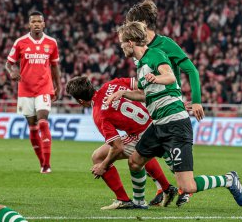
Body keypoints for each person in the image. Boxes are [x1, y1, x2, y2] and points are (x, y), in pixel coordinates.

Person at [106, 21, 242, 207]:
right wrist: (122, 94)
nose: (121, 46)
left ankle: (228, 179)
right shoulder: (141, 64)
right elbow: (143, 93)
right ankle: (139, 202)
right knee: (134, 162)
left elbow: (170, 76)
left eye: (122, 42)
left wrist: (157, 78)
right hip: (158, 125)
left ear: (130, 42)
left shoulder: (155, 54)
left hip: (175, 124)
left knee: (187, 186)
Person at [126, 0, 205, 205]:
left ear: (142, 23)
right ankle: (165, 189)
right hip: (155, 107)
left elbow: (191, 71)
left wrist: (196, 100)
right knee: (142, 156)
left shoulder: (165, 44)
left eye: (130, 24)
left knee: (157, 151)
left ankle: (181, 187)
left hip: (170, 106)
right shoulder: (139, 51)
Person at [66, 76, 178, 209]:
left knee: (98, 157)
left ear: (80, 101)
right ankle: (166, 187)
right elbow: (139, 86)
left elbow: (117, 147)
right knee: (136, 149)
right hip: (154, 120)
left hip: (145, 134)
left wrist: (103, 166)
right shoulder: (111, 84)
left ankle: (124, 199)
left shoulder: (99, 114)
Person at [6, 11, 61, 173]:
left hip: (44, 87)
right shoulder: (20, 42)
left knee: (43, 120)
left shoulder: (51, 43)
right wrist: (12, 72)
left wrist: (58, 85)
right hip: (25, 90)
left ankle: (47, 164)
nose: (36, 24)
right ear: (29, 24)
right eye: (33, 22)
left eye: (39, 21)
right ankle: (41, 161)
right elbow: (9, 63)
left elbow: (54, 66)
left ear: (44, 24)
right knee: (32, 126)